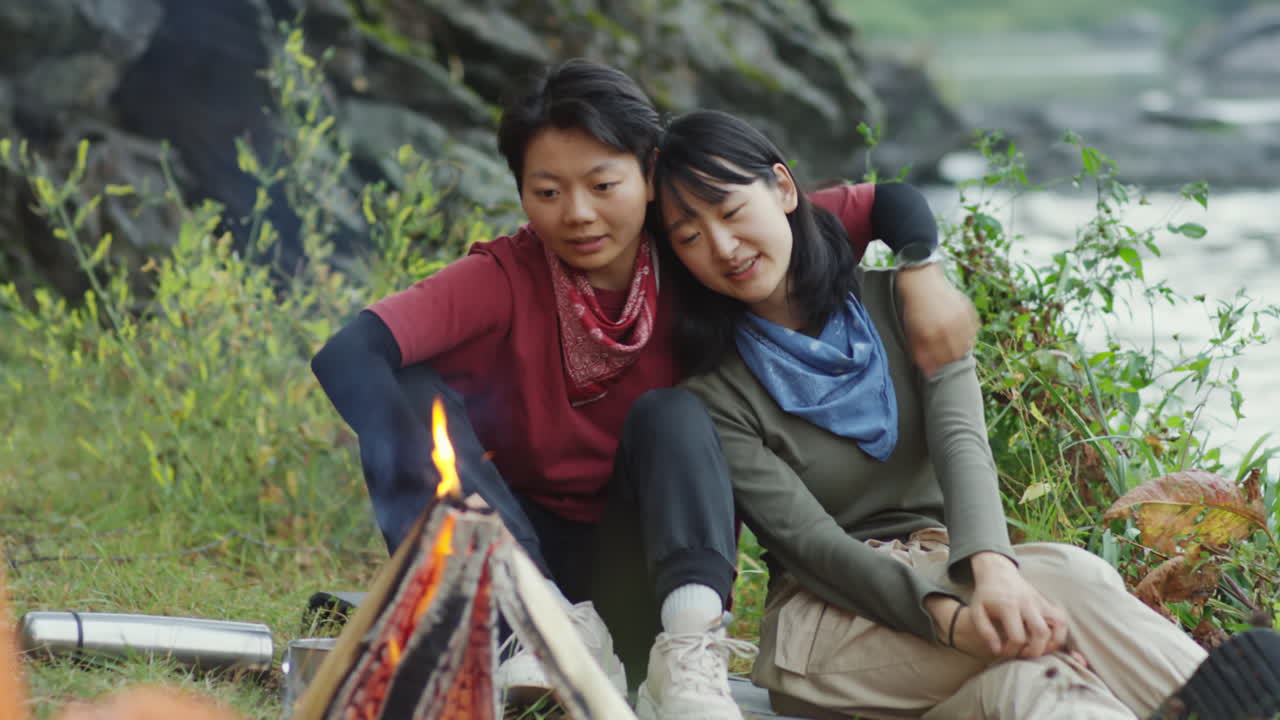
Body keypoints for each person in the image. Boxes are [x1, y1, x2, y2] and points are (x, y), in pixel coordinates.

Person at [310, 59, 978, 719]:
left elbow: (886, 202)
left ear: (649, 173)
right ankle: (534, 632)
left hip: (655, 578)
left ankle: (686, 663)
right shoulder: (502, 278)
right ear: (521, 194)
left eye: (604, 184)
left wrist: (922, 272)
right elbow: (348, 357)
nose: (578, 215)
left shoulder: (699, 245)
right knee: (403, 387)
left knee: (675, 412)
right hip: (518, 576)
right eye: (547, 193)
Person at [650, 108, 1280, 720]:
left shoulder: (908, 304)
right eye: (690, 237)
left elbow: (962, 445)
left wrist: (994, 572)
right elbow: (811, 546)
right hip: (831, 628)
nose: (723, 246)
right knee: (1072, 574)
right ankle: (1203, 700)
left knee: (1037, 687)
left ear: (783, 188)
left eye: (732, 212)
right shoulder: (717, 390)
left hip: (957, 572)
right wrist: (950, 622)